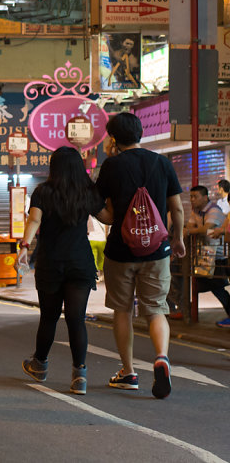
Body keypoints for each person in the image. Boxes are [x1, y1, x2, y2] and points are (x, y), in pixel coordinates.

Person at [95, 112, 185, 399]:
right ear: (141, 133)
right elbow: (177, 209)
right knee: (156, 308)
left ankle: (128, 371)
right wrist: (178, 238)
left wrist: (91, 206)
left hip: (121, 251)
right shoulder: (162, 163)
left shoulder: (111, 166)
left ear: (113, 138)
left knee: (122, 311)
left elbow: (108, 217)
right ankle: (161, 357)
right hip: (157, 250)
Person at [18, 147, 109, 395]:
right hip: (80, 263)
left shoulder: (43, 192)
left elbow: (34, 220)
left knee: (49, 317)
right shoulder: (87, 192)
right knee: (75, 319)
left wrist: (24, 246)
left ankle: (39, 365)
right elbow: (108, 217)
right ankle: (79, 375)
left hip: (51, 263)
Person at [183, 186, 230, 328]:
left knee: (216, 286)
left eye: (195, 196)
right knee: (211, 285)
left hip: (218, 255)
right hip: (206, 254)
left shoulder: (214, 210)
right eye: (190, 196)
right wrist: (192, 230)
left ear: (205, 197)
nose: (192, 200)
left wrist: (192, 231)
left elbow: (206, 229)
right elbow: (190, 227)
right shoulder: (196, 211)